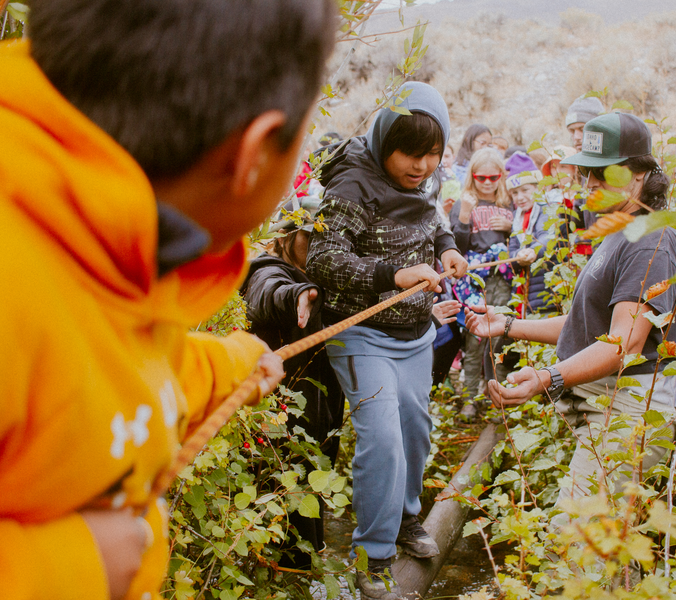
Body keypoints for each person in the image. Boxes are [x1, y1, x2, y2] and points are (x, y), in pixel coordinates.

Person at [0, 1, 334, 599]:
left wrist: (235, 362)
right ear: (254, 153)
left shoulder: (97, 231)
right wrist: (72, 564)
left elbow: (109, 373)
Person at [466, 112, 676, 510]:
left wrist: (547, 377)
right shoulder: (620, 232)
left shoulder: (650, 239)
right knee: (608, 541)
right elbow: (590, 324)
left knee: (574, 539)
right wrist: (510, 325)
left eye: (606, 173)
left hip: (627, 411)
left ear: (640, 175)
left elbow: (623, 343)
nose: (592, 183)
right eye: (588, 173)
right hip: (603, 406)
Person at [306, 81, 468, 600]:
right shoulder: (351, 184)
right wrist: (392, 275)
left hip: (416, 333)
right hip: (362, 333)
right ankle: (371, 557)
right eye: (409, 154)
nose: (420, 167)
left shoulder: (425, 177)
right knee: (382, 440)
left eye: (431, 155)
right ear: (383, 143)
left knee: (416, 431)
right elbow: (324, 260)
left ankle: (405, 522)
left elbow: (433, 218)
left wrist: (447, 247)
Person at [240, 197, 343, 570]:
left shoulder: (330, 276)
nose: (320, 250)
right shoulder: (267, 269)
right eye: (310, 238)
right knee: (284, 493)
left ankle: (304, 568)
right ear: (286, 236)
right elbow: (266, 293)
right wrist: (295, 295)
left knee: (313, 486)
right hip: (282, 415)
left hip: (322, 409)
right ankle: (285, 574)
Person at [450, 148, 515, 421]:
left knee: (499, 338)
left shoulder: (508, 203)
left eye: (493, 177)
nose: (487, 182)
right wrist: (465, 215)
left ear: (501, 176)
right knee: (474, 339)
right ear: (472, 177)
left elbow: (524, 241)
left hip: (502, 280)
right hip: (474, 281)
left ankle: (498, 398)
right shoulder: (463, 203)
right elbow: (456, 246)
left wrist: (511, 228)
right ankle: (469, 400)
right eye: (481, 177)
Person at [505, 153, 555, 316]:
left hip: (547, 293)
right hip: (525, 294)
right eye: (515, 193)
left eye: (525, 190)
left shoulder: (547, 209)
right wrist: (517, 255)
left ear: (539, 188)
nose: (520, 197)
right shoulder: (517, 218)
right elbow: (511, 250)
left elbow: (546, 236)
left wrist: (533, 251)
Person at [564, 97, 606, 257]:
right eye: (572, 130)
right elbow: (580, 217)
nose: (576, 136)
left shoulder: (613, 167)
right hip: (594, 254)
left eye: (582, 129)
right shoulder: (584, 170)